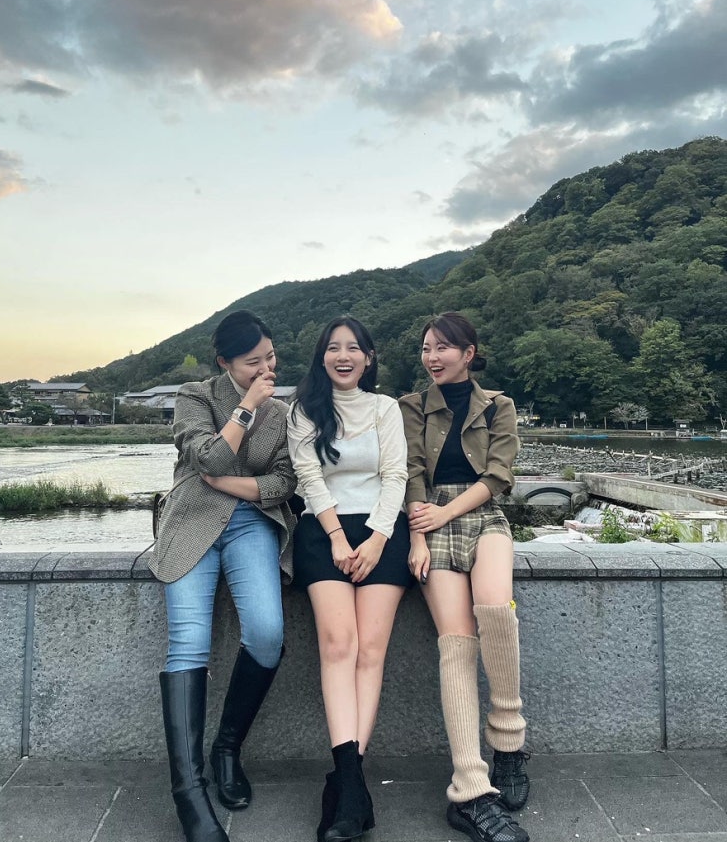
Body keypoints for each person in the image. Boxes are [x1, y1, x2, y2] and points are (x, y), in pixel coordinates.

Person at [149, 310, 296, 842]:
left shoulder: (284, 414)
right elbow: (208, 455)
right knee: (188, 643)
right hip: (191, 521)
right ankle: (189, 793)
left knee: (267, 633)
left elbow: (284, 481)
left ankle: (227, 748)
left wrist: (229, 485)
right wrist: (247, 406)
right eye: (253, 361)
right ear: (225, 362)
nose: (266, 369)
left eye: (270, 357)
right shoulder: (195, 396)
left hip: (251, 522)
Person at [398, 312, 530, 842]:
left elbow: (498, 476)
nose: (432, 357)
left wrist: (444, 515)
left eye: (442, 348)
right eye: (426, 348)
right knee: (456, 643)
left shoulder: (498, 405)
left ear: (468, 353)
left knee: (496, 612)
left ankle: (509, 742)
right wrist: (417, 536)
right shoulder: (411, 406)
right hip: (427, 520)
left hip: (479, 514)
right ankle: (469, 784)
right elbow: (408, 472)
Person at [287, 316, 411, 842]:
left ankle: (345, 784)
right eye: (334, 348)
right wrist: (338, 537)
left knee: (371, 651)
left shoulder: (386, 408)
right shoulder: (304, 409)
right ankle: (353, 786)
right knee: (339, 645)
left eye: (354, 348)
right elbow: (309, 477)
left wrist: (378, 538)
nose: (344, 356)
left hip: (383, 533)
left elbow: (396, 475)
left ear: (369, 357)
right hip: (324, 532)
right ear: (322, 357)